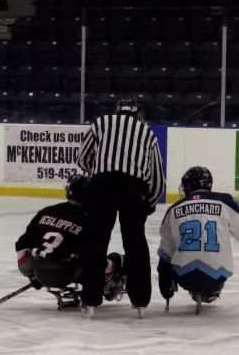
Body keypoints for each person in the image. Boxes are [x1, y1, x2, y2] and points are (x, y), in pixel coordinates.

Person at [76, 98, 166, 319]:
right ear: (138, 115)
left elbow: (83, 158)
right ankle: (140, 301)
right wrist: (149, 204)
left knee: (96, 241)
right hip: (134, 188)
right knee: (135, 242)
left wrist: (99, 173)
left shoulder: (100, 123)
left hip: (102, 184)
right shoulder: (148, 133)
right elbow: (156, 179)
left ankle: (89, 300)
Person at [15, 174, 127, 308]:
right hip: (69, 273)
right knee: (118, 260)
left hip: (41, 272)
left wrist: (32, 276)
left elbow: (21, 244)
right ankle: (107, 285)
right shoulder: (88, 219)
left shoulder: (46, 211)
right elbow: (93, 254)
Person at [157, 167, 239, 310]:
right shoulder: (226, 201)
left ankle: (195, 287)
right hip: (218, 275)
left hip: (185, 277)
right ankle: (210, 289)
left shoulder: (173, 209)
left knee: (171, 260)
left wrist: (164, 278)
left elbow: (165, 253)